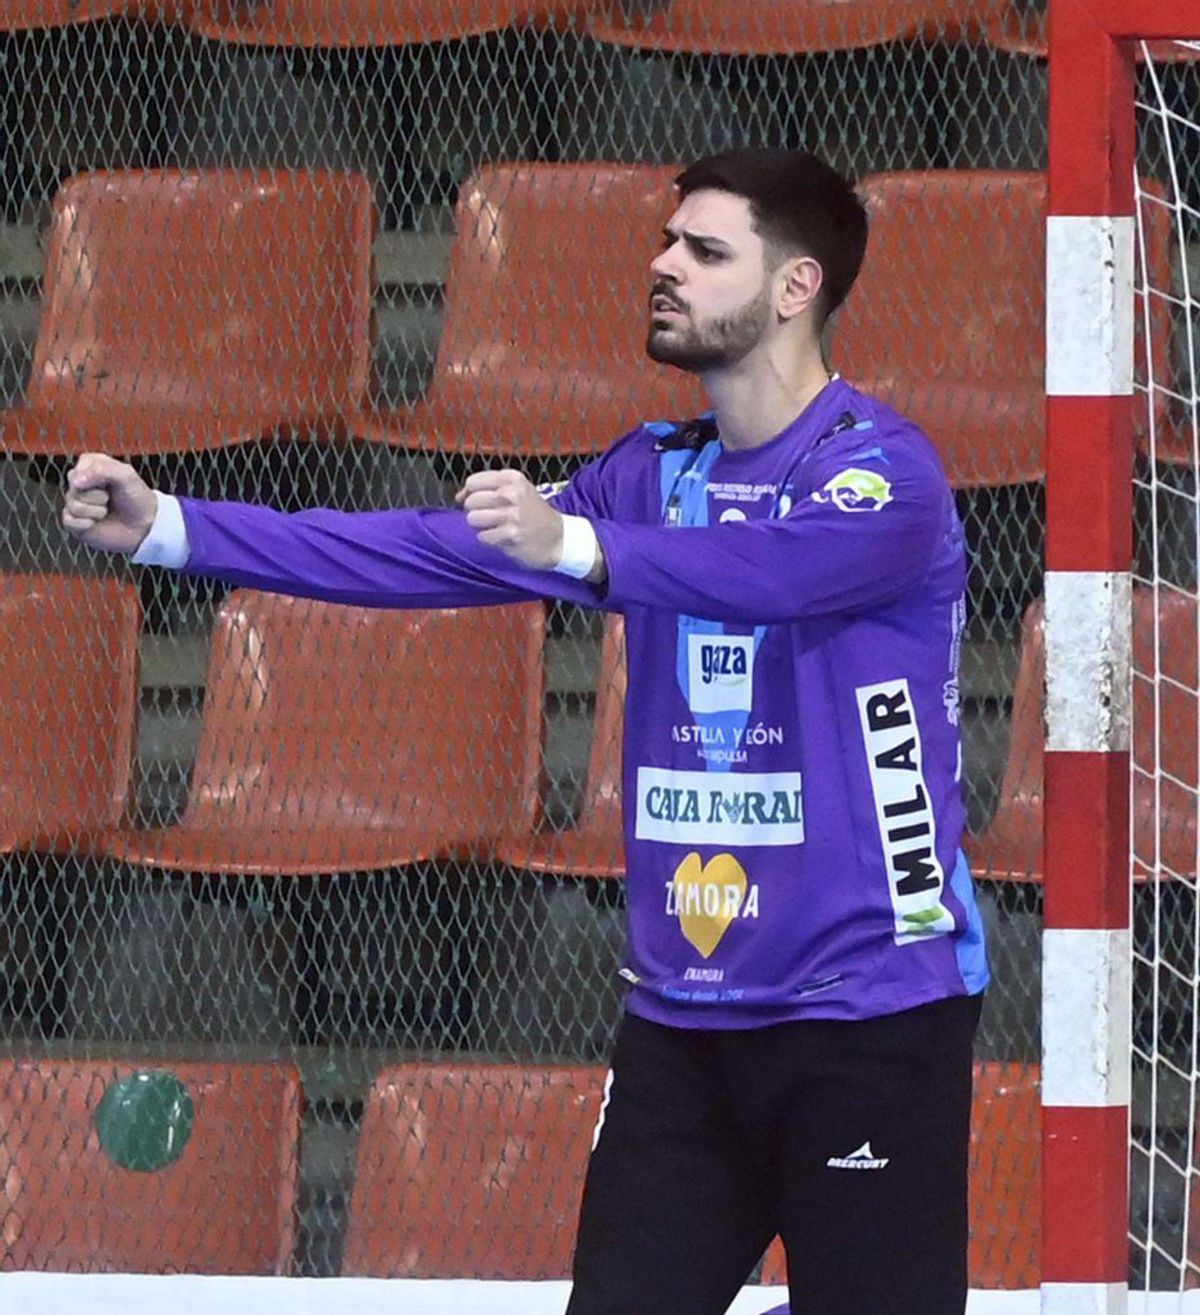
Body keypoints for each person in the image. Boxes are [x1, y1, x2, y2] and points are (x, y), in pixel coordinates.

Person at [62, 148, 988, 1315]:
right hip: (685, 1020)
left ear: (796, 288)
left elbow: (768, 572)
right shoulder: (648, 477)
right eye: (667, 243)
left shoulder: (881, 477)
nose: (664, 265)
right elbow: (417, 552)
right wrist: (175, 528)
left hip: (870, 1012)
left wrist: (580, 550)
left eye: (705, 252)